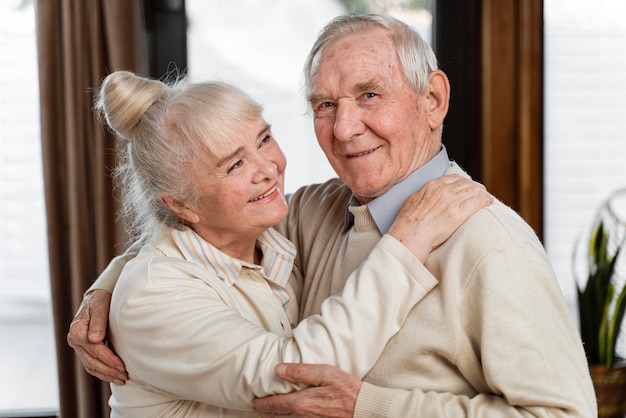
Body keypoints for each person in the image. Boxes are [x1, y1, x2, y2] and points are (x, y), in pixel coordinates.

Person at [69, 14, 597, 417]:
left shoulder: (489, 244)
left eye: (370, 95)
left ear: (432, 99)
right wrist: (110, 288)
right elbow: (212, 229)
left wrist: (369, 407)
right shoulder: (317, 210)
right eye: (325, 105)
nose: (345, 129)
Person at [87, 69, 489, 417]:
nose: (268, 170)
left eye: (263, 140)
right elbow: (298, 376)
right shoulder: (153, 294)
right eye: (234, 164)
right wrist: (406, 245)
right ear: (181, 204)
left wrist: (108, 279)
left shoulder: (271, 226)